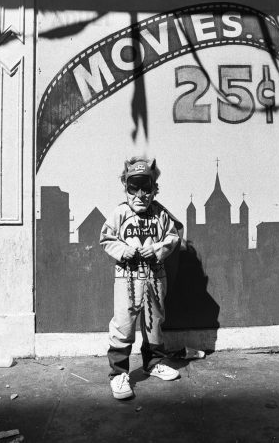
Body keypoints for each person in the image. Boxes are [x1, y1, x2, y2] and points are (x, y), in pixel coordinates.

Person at [100, 156, 182, 399]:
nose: (139, 194)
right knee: (123, 325)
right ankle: (118, 374)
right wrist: (124, 250)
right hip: (127, 279)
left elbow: (172, 237)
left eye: (145, 188)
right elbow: (106, 238)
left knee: (154, 322)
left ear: (154, 189)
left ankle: (153, 363)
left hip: (155, 278)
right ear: (125, 188)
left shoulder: (160, 214)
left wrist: (157, 250)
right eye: (133, 187)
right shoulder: (119, 213)